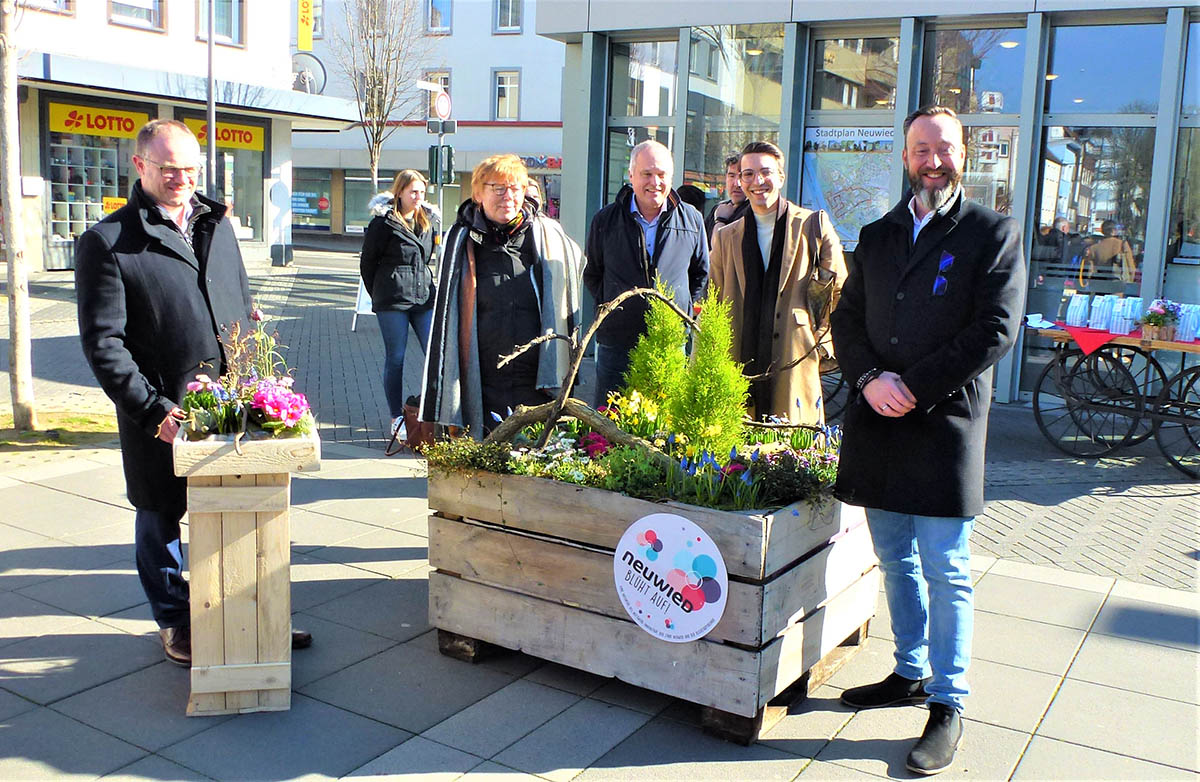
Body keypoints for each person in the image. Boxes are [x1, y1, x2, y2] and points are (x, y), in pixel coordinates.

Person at [830, 106, 1025, 776]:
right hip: (877, 423)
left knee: (946, 566)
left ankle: (948, 701)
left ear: (964, 153)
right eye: (921, 147)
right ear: (906, 156)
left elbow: (996, 328)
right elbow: (846, 316)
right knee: (893, 558)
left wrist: (911, 385)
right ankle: (908, 670)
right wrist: (866, 378)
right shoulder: (879, 234)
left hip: (942, 424)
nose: (932, 158)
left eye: (944, 147)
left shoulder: (991, 233)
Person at [75, 119, 311, 667]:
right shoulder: (109, 243)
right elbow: (104, 344)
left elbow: (239, 300)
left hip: (235, 405)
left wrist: (257, 372)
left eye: (188, 168)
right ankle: (176, 621)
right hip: (167, 412)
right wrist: (153, 410)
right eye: (167, 169)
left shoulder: (216, 222)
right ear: (140, 166)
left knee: (241, 513)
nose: (180, 178)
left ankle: (251, 613)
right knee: (161, 518)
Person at [420, 153, 583, 437]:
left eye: (516, 188)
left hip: (536, 383)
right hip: (482, 381)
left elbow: (577, 269)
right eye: (498, 188)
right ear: (478, 193)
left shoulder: (546, 238)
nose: (508, 196)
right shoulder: (460, 242)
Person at [708, 140, 846, 424]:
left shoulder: (813, 226)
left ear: (781, 177)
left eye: (766, 172)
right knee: (737, 455)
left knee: (791, 451)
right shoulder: (725, 236)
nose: (757, 181)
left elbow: (840, 292)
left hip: (794, 360)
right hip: (738, 358)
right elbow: (714, 301)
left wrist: (822, 344)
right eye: (747, 174)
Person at [583, 140, 708, 407]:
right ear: (631, 176)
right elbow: (593, 273)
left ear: (671, 177)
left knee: (666, 427)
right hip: (617, 343)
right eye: (647, 174)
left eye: (662, 175)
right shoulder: (605, 220)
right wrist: (615, 305)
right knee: (608, 424)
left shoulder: (692, 220)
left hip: (670, 340)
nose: (655, 182)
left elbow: (699, 273)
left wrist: (678, 309)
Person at [360, 170, 440, 443]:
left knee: (435, 353)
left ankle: (431, 411)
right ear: (400, 193)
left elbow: (427, 257)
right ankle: (396, 416)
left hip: (423, 296)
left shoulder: (429, 221)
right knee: (396, 357)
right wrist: (380, 293)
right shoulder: (383, 223)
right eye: (413, 192)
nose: (418, 198)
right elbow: (367, 263)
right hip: (392, 299)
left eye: (422, 192)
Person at [704, 153, 750, 245]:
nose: (737, 184)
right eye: (731, 176)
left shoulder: (753, 212)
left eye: (742, 176)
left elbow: (719, 250)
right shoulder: (718, 208)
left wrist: (720, 221)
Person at [1084, 219, 1136, 284]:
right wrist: (1130, 281)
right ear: (1113, 231)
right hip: (1118, 284)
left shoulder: (1093, 248)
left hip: (1100, 284)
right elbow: (1130, 267)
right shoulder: (1122, 245)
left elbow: (1090, 270)